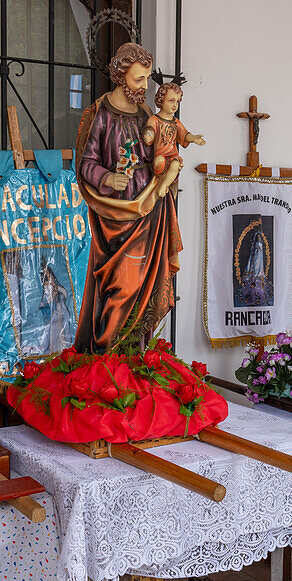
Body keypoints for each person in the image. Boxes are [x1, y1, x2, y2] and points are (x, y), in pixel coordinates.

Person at [73, 42, 184, 352]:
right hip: (114, 217)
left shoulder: (147, 113)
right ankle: (108, 360)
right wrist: (108, 177)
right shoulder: (101, 113)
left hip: (148, 211)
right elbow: (86, 164)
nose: (145, 86)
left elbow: (159, 151)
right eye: (139, 79)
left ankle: (134, 359)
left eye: (147, 79)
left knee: (144, 292)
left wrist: (168, 164)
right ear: (121, 77)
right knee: (121, 288)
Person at [143, 81, 204, 197]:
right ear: (161, 100)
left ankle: (164, 186)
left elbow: (184, 135)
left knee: (175, 165)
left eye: (177, 101)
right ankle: (161, 183)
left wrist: (194, 138)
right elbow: (150, 131)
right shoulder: (154, 119)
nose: (175, 105)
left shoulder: (176, 123)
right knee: (159, 162)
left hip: (172, 156)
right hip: (159, 156)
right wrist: (148, 135)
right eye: (171, 101)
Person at [39, 264, 71, 353]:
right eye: (47, 277)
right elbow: (45, 302)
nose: (50, 278)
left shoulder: (57, 289)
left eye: (50, 275)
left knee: (64, 337)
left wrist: (56, 287)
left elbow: (65, 294)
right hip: (52, 321)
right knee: (52, 342)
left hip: (60, 318)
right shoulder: (46, 288)